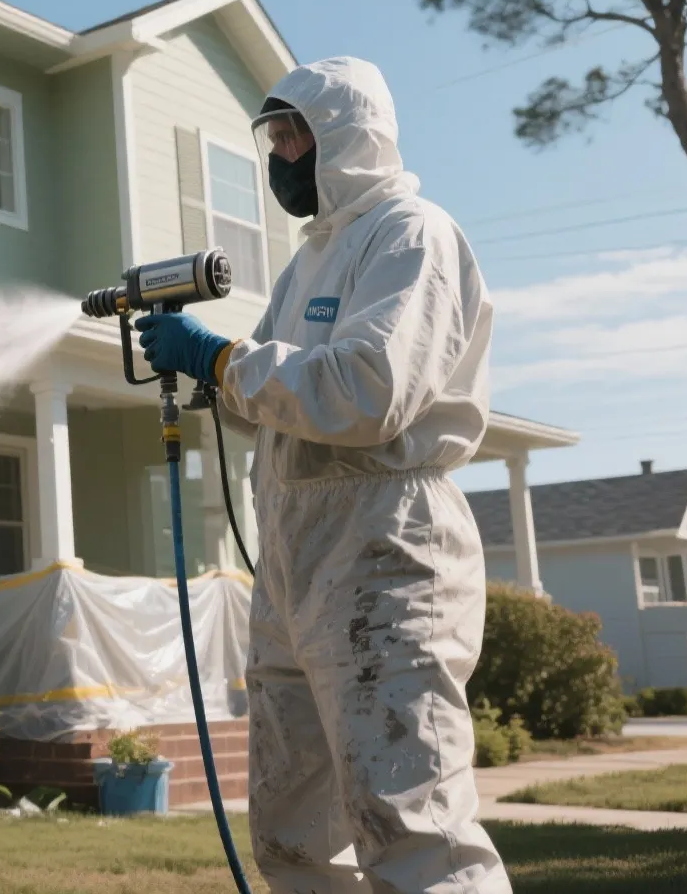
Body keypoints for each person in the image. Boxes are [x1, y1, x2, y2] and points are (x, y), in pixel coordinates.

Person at [134, 56, 505, 894]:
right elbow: (268, 396)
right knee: (295, 828)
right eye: (275, 134)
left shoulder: (411, 235)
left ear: (350, 136)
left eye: (299, 132)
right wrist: (211, 373)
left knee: (411, 824)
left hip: (386, 547)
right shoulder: (306, 266)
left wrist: (223, 356)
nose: (283, 153)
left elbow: (368, 392)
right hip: (294, 555)